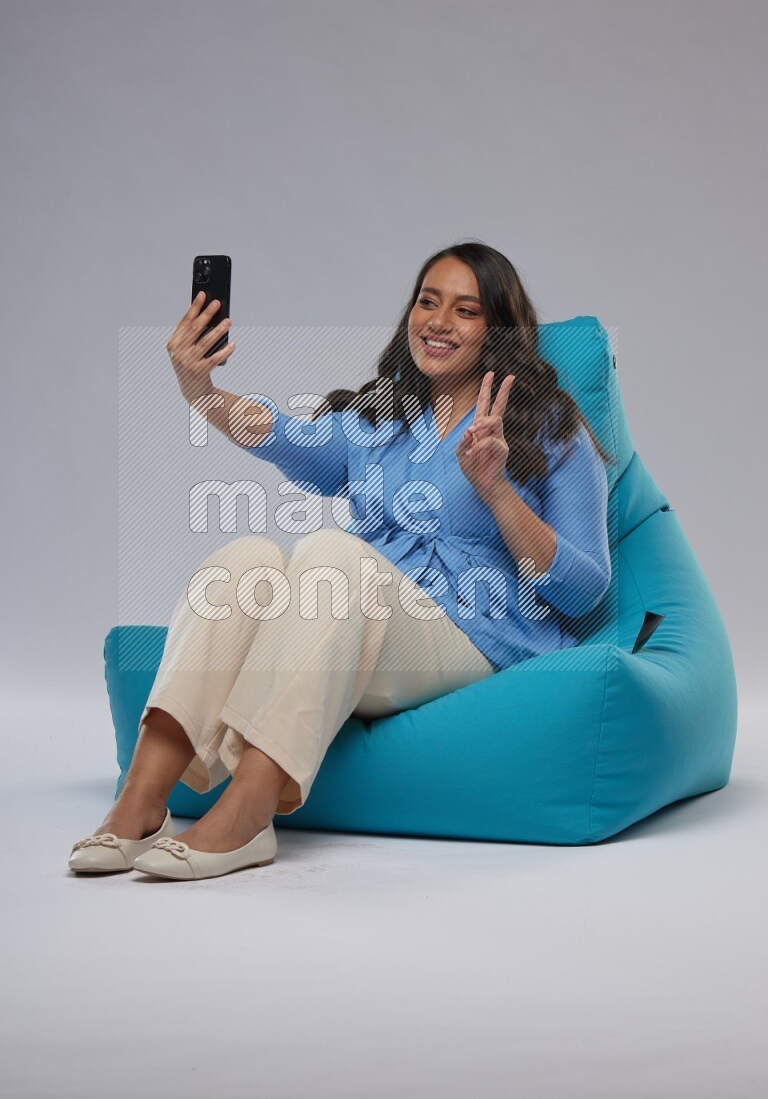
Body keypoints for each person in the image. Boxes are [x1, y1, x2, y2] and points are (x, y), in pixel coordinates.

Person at [68, 241, 613, 881]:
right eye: (426, 301)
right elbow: (276, 431)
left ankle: (248, 814)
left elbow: (584, 590)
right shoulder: (381, 418)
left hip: (474, 635)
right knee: (246, 560)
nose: (437, 321)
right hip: (359, 627)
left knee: (330, 555)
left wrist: (495, 489)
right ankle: (141, 801)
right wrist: (201, 391)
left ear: (497, 330)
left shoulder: (551, 427)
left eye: (465, 310)